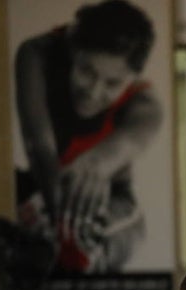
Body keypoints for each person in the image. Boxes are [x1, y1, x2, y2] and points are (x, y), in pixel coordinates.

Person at [14, 0, 162, 273]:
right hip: (42, 185)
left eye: (112, 83)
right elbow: (38, 146)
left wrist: (93, 168)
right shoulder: (38, 53)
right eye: (86, 71)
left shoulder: (145, 105)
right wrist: (54, 209)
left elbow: (122, 147)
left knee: (127, 225)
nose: (94, 91)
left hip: (107, 202)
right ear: (73, 51)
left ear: (133, 79)